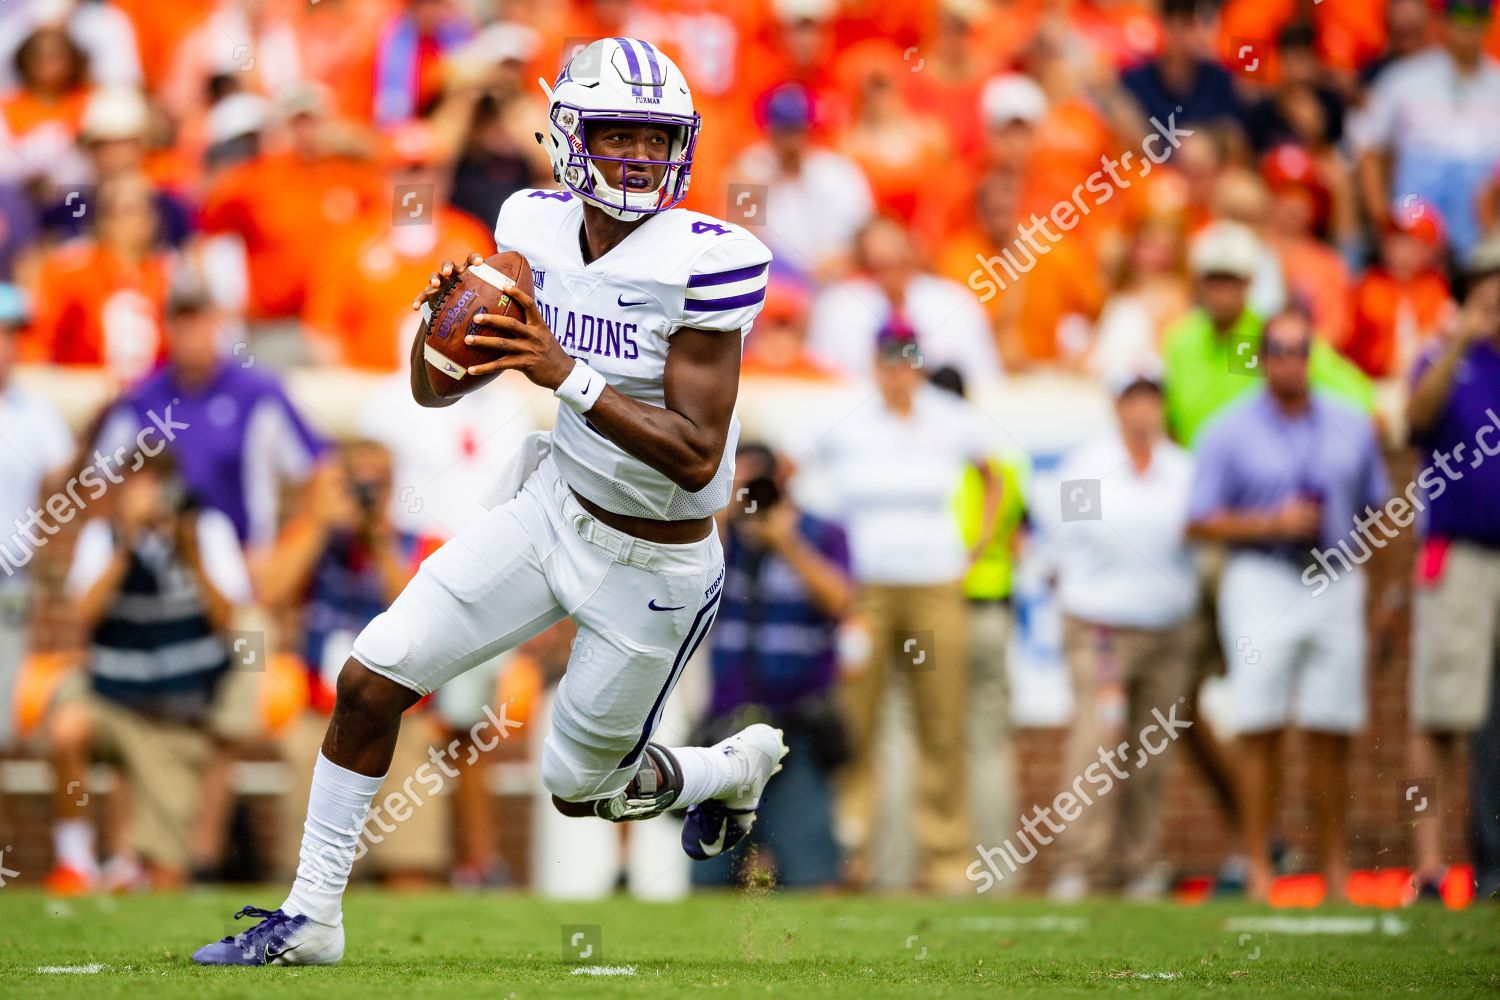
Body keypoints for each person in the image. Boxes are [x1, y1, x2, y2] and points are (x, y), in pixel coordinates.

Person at [192, 38, 783, 966]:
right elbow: (436, 392)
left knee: (578, 787)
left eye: (654, 137)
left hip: (656, 560)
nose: (635, 154)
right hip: (552, 508)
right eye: (616, 132)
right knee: (369, 676)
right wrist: (443, 334)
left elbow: (695, 454)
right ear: (568, 136)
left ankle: (724, 768)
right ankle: (310, 919)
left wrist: (563, 372)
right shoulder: (534, 226)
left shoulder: (706, 260)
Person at [1188, 309, 1390, 903]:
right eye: (1276, 350)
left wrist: (1380, 594)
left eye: (1298, 350)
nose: (1287, 361)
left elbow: (1378, 511)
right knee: (1259, 724)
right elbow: (1198, 520)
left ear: (1312, 355)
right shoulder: (1227, 430)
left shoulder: (1351, 421)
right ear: (1262, 357)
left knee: (1333, 726)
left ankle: (1334, 867)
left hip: (1335, 573)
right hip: (1262, 573)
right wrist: (1268, 522)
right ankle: (1258, 861)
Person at [804, 322, 1000, 894]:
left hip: (934, 582)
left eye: (908, 358)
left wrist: (976, 548)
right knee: (854, 722)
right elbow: (790, 468)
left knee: (941, 719)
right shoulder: (847, 415)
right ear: (875, 362)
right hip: (865, 589)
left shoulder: (949, 415)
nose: (899, 370)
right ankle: (851, 851)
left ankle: (944, 857)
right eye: (890, 358)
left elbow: (992, 479)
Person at [47, 449, 251, 892]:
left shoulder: (207, 531)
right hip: (114, 697)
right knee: (66, 727)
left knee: (166, 879)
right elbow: (83, 614)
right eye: (137, 484)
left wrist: (190, 551)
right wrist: (126, 545)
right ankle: (75, 861)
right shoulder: (103, 536)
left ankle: (163, 862)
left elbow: (230, 621)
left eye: (158, 485)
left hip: (180, 707)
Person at [256, 442, 452, 889]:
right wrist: (319, 522)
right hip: (320, 721)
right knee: (306, 872)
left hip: (403, 718)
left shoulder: (421, 543)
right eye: (355, 481)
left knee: (412, 867)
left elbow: (423, 614)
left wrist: (379, 542)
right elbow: (269, 595)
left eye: (375, 481)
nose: (366, 492)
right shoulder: (314, 540)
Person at [1036, 367, 1199, 901]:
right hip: (1101, 625)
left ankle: (1138, 862)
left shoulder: (1182, 469)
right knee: (1097, 744)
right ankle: (1082, 864)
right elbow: (1058, 551)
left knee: (1152, 752)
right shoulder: (1089, 466)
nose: (1142, 410)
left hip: (1168, 628)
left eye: (1151, 398)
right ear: (1116, 406)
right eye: (1133, 399)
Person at [693, 443, 854, 890]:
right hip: (726, 725)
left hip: (797, 725)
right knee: (708, 877)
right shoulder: (711, 540)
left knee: (811, 874)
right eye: (738, 487)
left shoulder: (822, 534)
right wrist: (717, 523)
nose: (750, 499)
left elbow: (840, 600)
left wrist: (786, 541)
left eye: (758, 486)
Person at [1405, 234, 1500, 901]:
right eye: (1486, 279)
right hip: (1459, 553)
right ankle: (1431, 864)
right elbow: (1414, 419)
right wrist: (1463, 341)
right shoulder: (1442, 357)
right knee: (1440, 712)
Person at [94, 275, 325, 549]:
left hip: (240, 559)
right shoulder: (141, 399)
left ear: (217, 322)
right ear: (167, 326)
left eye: (199, 318)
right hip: (159, 565)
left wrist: (283, 555)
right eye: (182, 320)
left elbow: (318, 471)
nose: (191, 330)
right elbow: (99, 484)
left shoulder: (258, 393)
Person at [1162, 221, 1372, 449]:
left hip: (1266, 472)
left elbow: (1355, 395)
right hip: (1194, 470)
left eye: (1231, 280)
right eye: (1214, 279)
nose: (1221, 291)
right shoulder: (1180, 341)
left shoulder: (1274, 334)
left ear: (1249, 281)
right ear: (1199, 283)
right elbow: (1164, 418)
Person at [1349, 0, 1500, 261]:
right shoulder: (1403, 78)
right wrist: (1383, 222)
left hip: (1485, 240)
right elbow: (1367, 148)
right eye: (1460, 14)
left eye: (1479, 15)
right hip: (1414, 238)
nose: (1469, 24)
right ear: (1441, 20)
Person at [0, 286, 73, 749]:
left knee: (4, 724)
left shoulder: (36, 414)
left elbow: (70, 488)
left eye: (11, 335)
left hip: (11, 588)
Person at [808, 217, 999, 385]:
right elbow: (823, 381)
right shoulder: (837, 308)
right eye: (879, 266)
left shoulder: (955, 301)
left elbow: (984, 380)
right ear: (862, 264)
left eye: (898, 263)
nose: (891, 274)